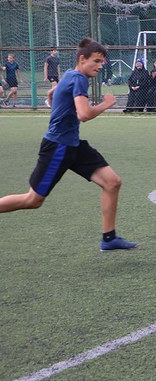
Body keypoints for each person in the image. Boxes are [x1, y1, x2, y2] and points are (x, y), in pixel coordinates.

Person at [0, 38, 137, 251]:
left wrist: (57, 104)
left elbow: (51, 94)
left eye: (102, 62)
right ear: (82, 59)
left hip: (73, 145)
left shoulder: (71, 76)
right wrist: (106, 104)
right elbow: (83, 114)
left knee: (112, 182)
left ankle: (109, 239)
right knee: (33, 200)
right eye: (97, 61)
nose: (101, 66)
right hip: (57, 147)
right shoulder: (79, 79)